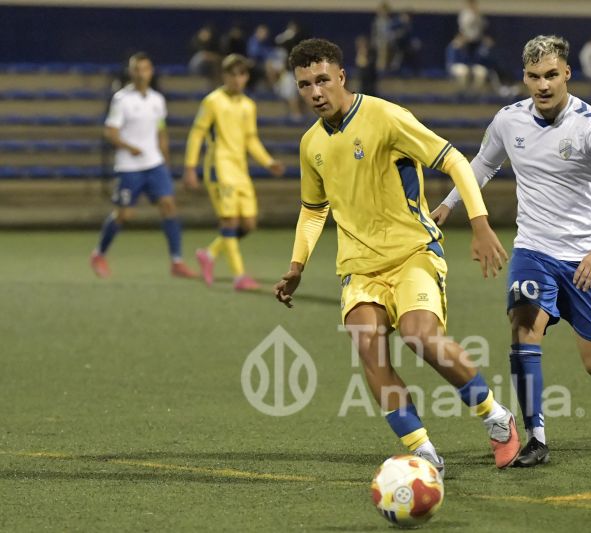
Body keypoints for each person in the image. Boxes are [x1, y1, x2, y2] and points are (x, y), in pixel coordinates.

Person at [273, 38, 521, 473]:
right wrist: (297, 266)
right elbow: (314, 210)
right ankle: (422, 450)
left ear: (342, 77)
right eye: (304, 85)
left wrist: (479, 224)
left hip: (412, 254)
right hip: (357, 266)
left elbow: (456, 161)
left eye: (322, 81)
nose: (315, 93)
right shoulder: (310, 143)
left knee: (420, 336)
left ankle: (497, 419)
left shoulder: (385, 117)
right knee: (369, 348)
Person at [431, 34, 591, 468]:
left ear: (567, 73)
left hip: (589, 258)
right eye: (534, 76)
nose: (543, 85)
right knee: (522, 326)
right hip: (533, 249)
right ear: (524, 78)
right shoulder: (509, 121)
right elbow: (482, 165)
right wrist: (449, 204)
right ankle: (536, 438)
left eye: (551, 75)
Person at [183, 54, 285, 291]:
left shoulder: (249, 105)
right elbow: (197, 133)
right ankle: (239, 275)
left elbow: (251, 140)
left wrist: (268, 162)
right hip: (219, 168)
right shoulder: (213, 101)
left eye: (242, 75)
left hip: (240, 170)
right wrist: (190, 167)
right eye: (233, 74)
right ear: (224, 76)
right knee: (229, 221)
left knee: (248, 224)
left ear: (246, 77)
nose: (238, 79)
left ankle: (209, 254)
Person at [90, 52, 197, 280]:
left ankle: (177, 261)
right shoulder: (122, 99)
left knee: (169, 206)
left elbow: (161, 131)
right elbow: (110, 132)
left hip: (154, 164)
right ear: (131, 72)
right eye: (137, 69)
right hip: (130, 166)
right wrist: (129, 147)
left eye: (146, 69)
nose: (141, 74)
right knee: (124, 214)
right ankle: (99, 254)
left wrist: (165, 159)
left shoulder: (157, 100)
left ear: (151, 72)